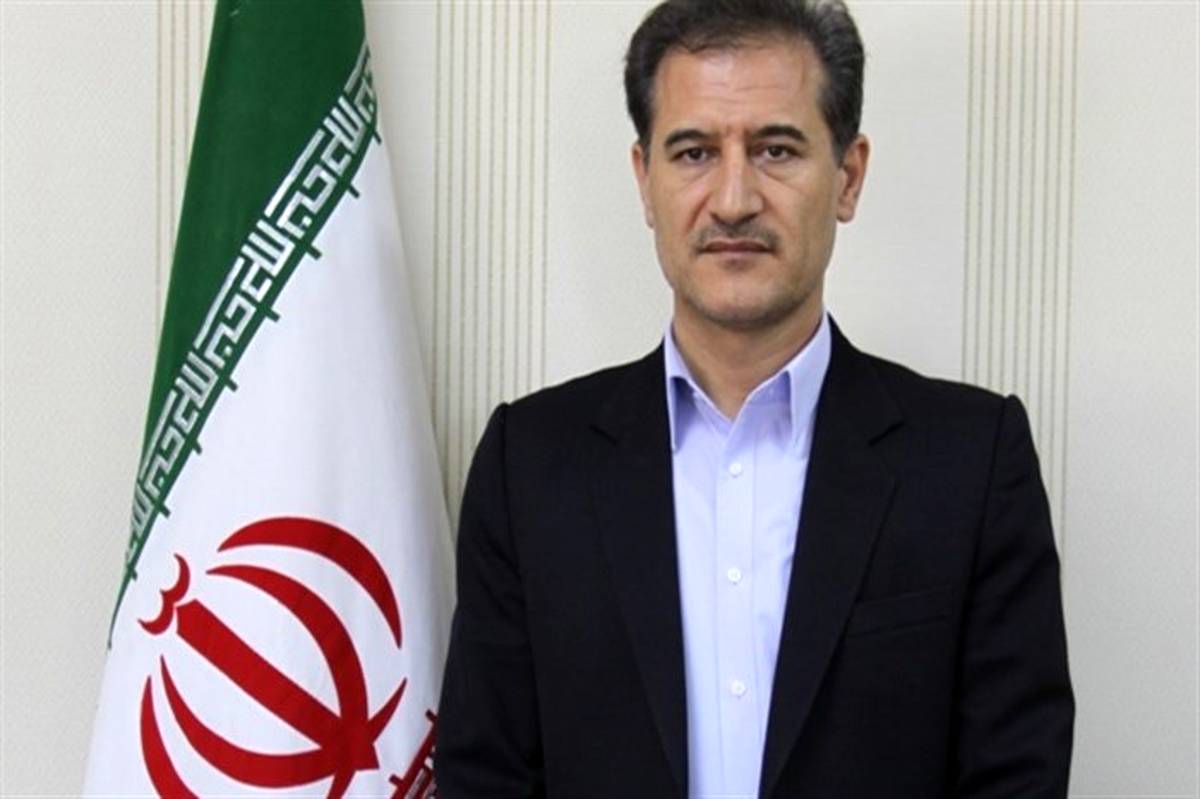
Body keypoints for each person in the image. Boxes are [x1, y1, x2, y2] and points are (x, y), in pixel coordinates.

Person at [434, 0, 1074, 796]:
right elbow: (484, 775)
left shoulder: (971, 463)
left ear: (848, 176)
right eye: (694, 152)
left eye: (776, 149)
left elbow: (1016, 777)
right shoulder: (529, 465)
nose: (734, 198)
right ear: (645, 181)